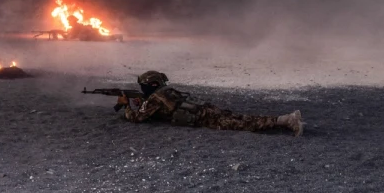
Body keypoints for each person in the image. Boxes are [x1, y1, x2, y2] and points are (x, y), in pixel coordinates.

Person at [106, 71, 304, 135]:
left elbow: (137, 118)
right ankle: (285, 120)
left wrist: (125, 105)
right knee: (243, 118)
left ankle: (287, 121)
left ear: (151, 85)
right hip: (205, 109)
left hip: (203, 117)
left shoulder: (156, 98)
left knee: (246, 123)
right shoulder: (165, 92)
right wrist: (142, 101)